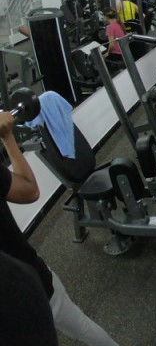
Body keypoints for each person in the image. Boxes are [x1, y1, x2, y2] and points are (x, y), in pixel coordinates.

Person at [0, 111, 119, 345]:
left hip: (20, 284)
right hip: (22, 284)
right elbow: (29, 190)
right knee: (82, 328)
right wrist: (7, 137)